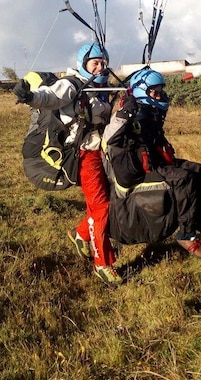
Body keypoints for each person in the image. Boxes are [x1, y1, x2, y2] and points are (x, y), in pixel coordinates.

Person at [13, 43, 122, 286]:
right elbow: (50, 96)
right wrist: (30, 97)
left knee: (107, 200)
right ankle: (103, 264)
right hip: (84, 154)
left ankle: (81, 234)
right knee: (102, 206)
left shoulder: (100, 85)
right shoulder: (73, 84)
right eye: (94, 62)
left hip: (100, 151)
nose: (100, 67)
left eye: (103, 62)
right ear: (83, 63)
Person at [102, 67, 201, 259]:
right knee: (184, 179)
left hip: (156, 161)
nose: (159, 96)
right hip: (140, 169)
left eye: (160, 91)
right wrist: (126, 113)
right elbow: (108, 138)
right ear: (142, 92)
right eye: (154, 92)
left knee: (198, 170)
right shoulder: (130, 111)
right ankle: (186, 235)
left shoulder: (150, 111)